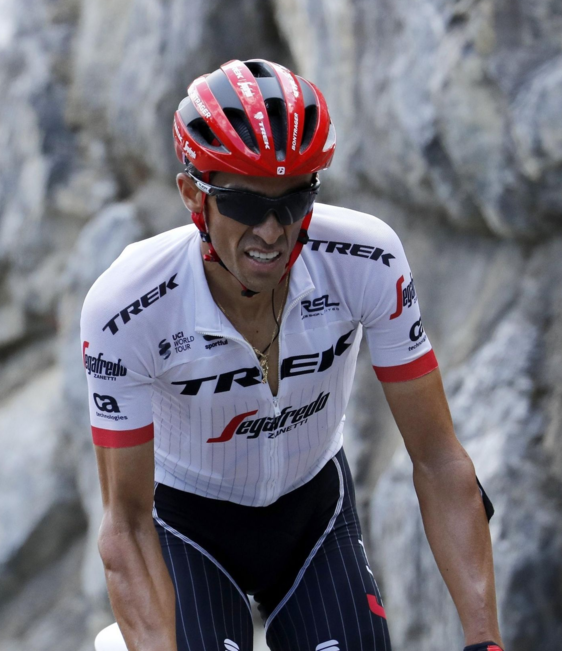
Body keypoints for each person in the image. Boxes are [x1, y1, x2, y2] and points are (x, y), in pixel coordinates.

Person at [81, 59, 503, 651]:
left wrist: (485, 641)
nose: (272, 231)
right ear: (192, 195)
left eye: (294, 199)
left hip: (312, 515)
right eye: (245, 204)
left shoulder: (368, 260)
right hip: (186, 528)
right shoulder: (127, 306)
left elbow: (438, 459)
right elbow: (125, 527)